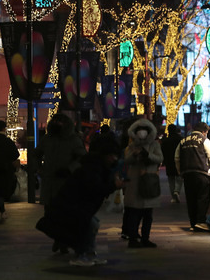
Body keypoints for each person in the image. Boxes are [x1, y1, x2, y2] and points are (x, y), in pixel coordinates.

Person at [36, 136, 124, 267]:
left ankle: (88, 253)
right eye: (112, 156)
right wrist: (114, 186)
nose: (114, 159)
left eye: (115, 156)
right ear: (105, 155)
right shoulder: (93, 168)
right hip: (72, 206)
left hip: (77, 205)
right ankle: (82, 254)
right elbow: (94, 188)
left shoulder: (98, 166)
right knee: (87, 226)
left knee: (91, 224)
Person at [33, 113, 86, 253]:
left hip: (65, 182)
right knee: (50, 214)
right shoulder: (47, 139)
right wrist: (39, 169)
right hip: (49, 181)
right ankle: (58, 238)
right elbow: (37, 154)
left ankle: (62, 240)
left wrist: (70, 169)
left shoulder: (73, 140)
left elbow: (82, 158)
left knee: (64, 213)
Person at [124, 119, 163, 248]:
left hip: (149, 182)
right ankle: (133, 238)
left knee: (148, 214)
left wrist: (148, 155)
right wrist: (134, 155)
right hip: (135, 182)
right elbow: (126, 160)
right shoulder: (131, 146)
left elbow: (160, 158)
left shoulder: (155, 145)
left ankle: (145, 238)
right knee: (134, 214)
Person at [175, 121, 210, 232]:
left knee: (191, 199)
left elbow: (177, 158)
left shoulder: (183, 141)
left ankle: (193, 223)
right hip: (201, 173)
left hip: (187, 174)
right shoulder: (204, 140)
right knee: (203, 197)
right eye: (206, 133)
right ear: (204, 132)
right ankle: (201, 222)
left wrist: (181, 172)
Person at [161, 124, 183, 203]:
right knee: (179, 177)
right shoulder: (180, 139)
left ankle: (173, 197)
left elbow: (162, 151)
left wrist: (163, 161)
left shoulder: (166, 140)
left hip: (169, 161)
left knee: (171, 179)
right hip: (179, 161)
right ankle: (177, 191)